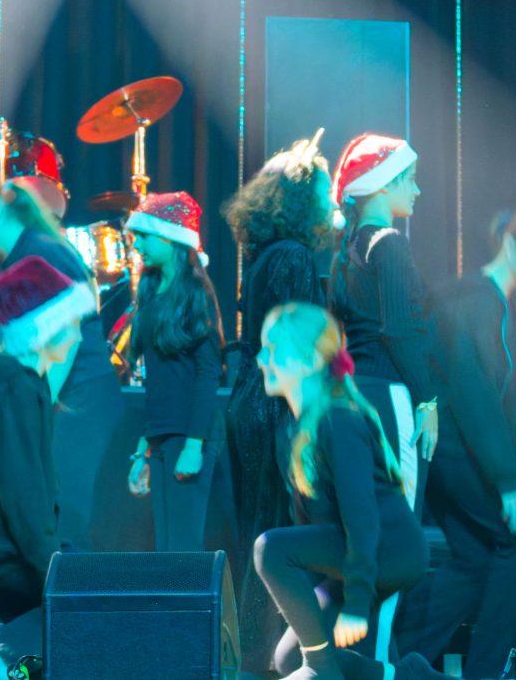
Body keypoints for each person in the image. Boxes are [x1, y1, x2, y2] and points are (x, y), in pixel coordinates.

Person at [395, 207, 516, 680]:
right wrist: (507, 484)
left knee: (475, 561)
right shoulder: (474, 300)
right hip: (456, 453)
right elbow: (474, 395)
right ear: (511, 246)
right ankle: (492, 670)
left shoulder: (500, 303)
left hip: (461, 452)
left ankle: (395, 661)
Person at [0, 170, 122, 554]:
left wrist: (35, 408)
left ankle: (72, 594)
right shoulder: (10, 259)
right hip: (60, 401)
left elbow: (67, 342)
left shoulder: (41, 252)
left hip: (80, 401)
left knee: (61, 522)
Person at [251, 302, 428, 680]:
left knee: (269, 549)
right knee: (288, 659)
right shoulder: (296, 428)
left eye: (272, 350)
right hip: (352, 550)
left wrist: (357, 602)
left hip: (388, 550)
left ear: (309, 360)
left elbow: (362, 518)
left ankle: (320, 668)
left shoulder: (339, 419)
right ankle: (408, 675)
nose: (260, 360)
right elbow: (313, 530)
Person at [222, 135, 337, 676]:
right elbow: (300, 339)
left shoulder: (265, 253)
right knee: (277, 532)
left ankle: (255, 655)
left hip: (250, 396)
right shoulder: (292, 256)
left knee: (257, 532)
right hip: (274, 404)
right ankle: (267, 658)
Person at [325, 134, 435, 503]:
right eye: (411, 180)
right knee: (401, 511)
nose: (417, 190)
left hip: (355, 392)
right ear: (385, 184)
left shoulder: (346, 252)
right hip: (391, 395)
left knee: (365, 513)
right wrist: (427, 401)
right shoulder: (389, 243)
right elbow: (400, 330)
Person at [125, 191, 225, 553]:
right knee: (166, 549)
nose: (137, 245)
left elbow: (207, 373)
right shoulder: (152, 292)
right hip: (163, 436)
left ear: (170, 237)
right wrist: (144, 448)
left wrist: (194, 445)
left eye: (143, 236)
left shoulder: (196, 292)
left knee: (183, 549)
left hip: (190, 434)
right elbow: (159, 381)